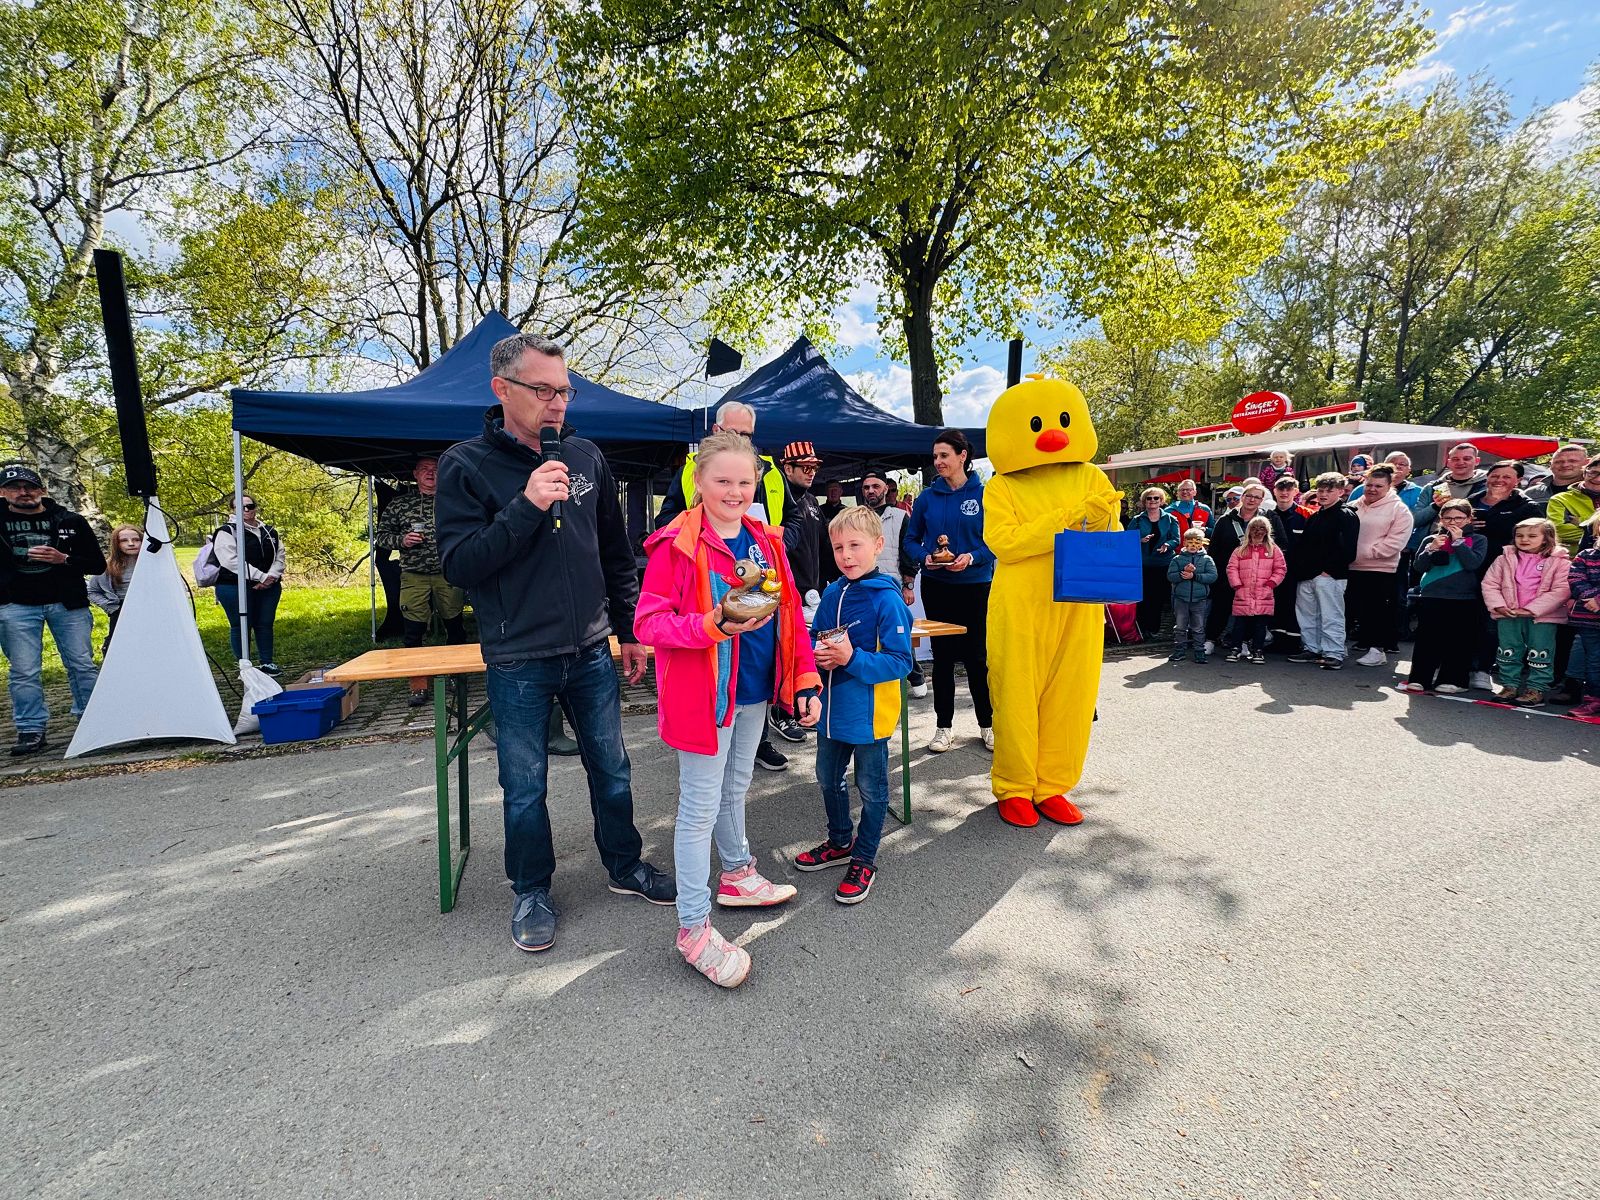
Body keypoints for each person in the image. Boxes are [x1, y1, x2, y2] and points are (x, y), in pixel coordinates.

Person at [436, 331, 674, 955]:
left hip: (592, 648)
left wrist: (629, 629)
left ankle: (624, 865)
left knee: (613, 769)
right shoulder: (465, 465)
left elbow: (615, 553)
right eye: (543, 390)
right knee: (525, 786)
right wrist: (526, 504)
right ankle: (531, 890)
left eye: (565, 390)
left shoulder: (587, 456)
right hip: (518, 657)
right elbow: (460, 565)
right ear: (502, 389)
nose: (559, 403)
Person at [635, 431, 818, 987]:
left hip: (757, 687)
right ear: (699, 480)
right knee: (697, 809)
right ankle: (692, 928)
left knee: (736, 787)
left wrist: (803, 679)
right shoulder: (675, 543)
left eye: (744, 481)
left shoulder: (766, 539)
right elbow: (648, 624)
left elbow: (789, 611)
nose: (735, 491)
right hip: (703, 697)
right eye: (723, 481)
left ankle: (737, 873)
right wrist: (710, 625)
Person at [983, 376, 1122, 828]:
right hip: (1021, 605)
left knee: (1072, 693)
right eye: (1038, 424)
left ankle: (1052, 784)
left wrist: (1103, 519)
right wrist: (1067, 519)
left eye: (1062, 421)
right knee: (1017, 693)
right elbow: (1005, 542)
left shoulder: (1092, 476)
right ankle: (1014, 785)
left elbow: (1111, 537)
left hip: (1078, 602)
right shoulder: (1000, 486)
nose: (1052, 433)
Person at [794, 506, 914, 904]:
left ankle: (864, 858)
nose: (846, 555)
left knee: (872, 789)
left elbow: (901, 662)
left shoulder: (888, 599)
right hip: (831, 714)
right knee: (828, 779)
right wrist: (816, 662)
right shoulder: (831, 593)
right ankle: (840, 841)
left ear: (878, 546)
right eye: (838, 547)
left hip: (869, 716)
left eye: (855, 546)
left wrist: (850, 659)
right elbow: (816, 641)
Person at [0, 464, 105, 755]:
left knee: (81, 664)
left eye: (30, 487)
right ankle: (30, 729)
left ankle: (92, 721)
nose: (23, 492)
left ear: (42, 490)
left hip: (67, 603)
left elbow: (97, 564)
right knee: (24, 671)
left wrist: (64, 559)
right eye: (14, 488)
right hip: (15, 605)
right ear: (3, 492)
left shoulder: (69, 520)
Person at [903, 428, 994, 753]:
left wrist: (972, 558)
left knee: (977, 658)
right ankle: (943, 728)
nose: (938, 461)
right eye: (935, 456)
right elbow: (910, 540)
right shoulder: (927, 498)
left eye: (944, 455)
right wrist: (924, 557)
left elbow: (995, 542)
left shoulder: (984, 495)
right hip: (938, 587)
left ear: (962, 456)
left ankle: (988, 725)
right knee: (942, 660)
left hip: (976, 586)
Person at [374, 456, 469, 707]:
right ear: (415, 474)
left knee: (455, 627)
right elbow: (382, 536)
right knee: (413, 631)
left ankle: (456, 677)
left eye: (435, 469)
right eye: (425, 469)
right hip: (414, 574)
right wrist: (402, 540)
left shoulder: (455, 501)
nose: (430, 473)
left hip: (448, 573)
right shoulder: (400, 504)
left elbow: (471, 530)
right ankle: (418, 686)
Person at [654, 400, 787, 529]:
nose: (737, 439)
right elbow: (664, 520)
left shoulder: (771, 472)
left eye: (745, 435)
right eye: (731, 432)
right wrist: (701, 529)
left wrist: (778, 541)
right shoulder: (688, 471)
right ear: (716, 430)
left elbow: (792, 517)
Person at [1480, 518, 1570, 706]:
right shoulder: (1504, 559)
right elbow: (1490, 583)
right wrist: (1499, 605)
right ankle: (1509, 685)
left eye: (1532, 536)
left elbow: (1562, 590)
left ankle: (1536, 689)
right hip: (1508, 614)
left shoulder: (1560, 562)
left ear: (1546, 538)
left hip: (1542, 617)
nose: (1524, 539)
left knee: (1540, 653)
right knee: (1507, 650)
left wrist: (1530, 610)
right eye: (1519, 535)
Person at [1403, 499, 1488, 694]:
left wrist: (1458, 542)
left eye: (1459, 518)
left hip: (1463, 597)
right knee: (1427, 640)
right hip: (1432, 595)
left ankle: (1453, 679)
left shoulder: (1479, 540)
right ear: (1441, 519)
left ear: (1469, 519)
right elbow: (1419, 567)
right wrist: (1431, 549)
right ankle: (1419, 678)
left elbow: (1472, 563)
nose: (1453, 522)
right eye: (1448, 518)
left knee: (1458, 641)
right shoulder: (1430, 539)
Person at [860, 468, 926, 698]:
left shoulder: (899, 516)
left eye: (875, 486)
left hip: (892, 586)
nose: (871, 491)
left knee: (899, 633)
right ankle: (878, 682)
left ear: (886, 489)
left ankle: (915, 676)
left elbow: (908, 553)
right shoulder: (856, 516)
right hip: (863, 586)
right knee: (868, 635)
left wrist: (908, 585)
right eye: (866, 487)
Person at [1287, 472, 1359, 670]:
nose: (1323, 494)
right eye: (1320, 490)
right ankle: (1312, 648)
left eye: (1329, 490)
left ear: (1341, 492)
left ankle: (1334, 652)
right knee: (1307, 614)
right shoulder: (1315, 516)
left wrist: (1329, 571)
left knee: (1331, 615)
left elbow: (1349, 549)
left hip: (1330, 575)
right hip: (1308, 574)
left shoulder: (1346, 515)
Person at [1347, 463, 1416, 667]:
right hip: (1351, 566)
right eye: (1369, 485)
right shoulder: (1355, 505)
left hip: (1381, 569)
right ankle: (1364, 642)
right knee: (1356, 608)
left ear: (1389, 486)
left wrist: (1370, 553)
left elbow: (1396, 542)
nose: (1372, 489)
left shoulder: (1399, 509)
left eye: (1378, 486)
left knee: (1377, 611)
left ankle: (1377, 650)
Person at [213, 494, 285, 674]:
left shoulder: (269, 531)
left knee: (265, 623)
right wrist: (260, 577)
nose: (246, 510)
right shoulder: (227, 532)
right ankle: (245, 666)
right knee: (241, 625)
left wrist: (270, 577)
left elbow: (280, 556)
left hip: (269, 587)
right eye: (240, 507)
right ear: (232, 510)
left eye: (250, 506)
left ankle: (267, 662)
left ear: (255, 507)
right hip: (234, 586)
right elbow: (230, 561)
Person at [1205, 481, 1281, 653]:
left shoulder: (1269, 519)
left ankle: (1244, 642)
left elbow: (1279, 545)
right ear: (1242, 497)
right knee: (1220, 608)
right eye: (1249, 496)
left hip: (1257, 576)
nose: (1252, 500)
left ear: (1261, 500)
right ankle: (1210, 639)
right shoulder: (1225, 520)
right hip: (1227, 574)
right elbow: (1214, 548)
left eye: (1257, 497)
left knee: (1250, 612)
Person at [1223, 516, 1287, 664]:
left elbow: (1280, 569)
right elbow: (1231, 568)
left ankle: (1258, 649)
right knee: (1239, 624)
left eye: (1261, 528)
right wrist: (1237, 585)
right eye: (1254, 528)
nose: (1258, 531)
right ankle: (1235, 648)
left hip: (1264, 593)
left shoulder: (1273, 550)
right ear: (1249, 531)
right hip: (1243, 592)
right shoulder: (1240, 550)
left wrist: (1271, 584)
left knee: (1260, 625)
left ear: (1267, 531)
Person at [1131, 487, 1180, 640]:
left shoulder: (1170, 519)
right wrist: (1140, 540)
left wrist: (1167, 545)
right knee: (1142, 597)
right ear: (1144, 501)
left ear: (1161, 501)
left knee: (1157, 598)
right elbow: (1127, 538)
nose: (1152, 501)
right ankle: (1140, 629)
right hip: (1142, 564)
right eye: (1149, 498)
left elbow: (1176, 539)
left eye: (1156, 498)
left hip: (1163, 563)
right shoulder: (1137, 519)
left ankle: (1153, 629)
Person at [1269, 477, 1311, 649]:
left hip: (1298, 571)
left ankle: (1294, 643)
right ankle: (1277, 640)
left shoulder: (1307, 515)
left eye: (1288, 489)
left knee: (1297, 606)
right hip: (1273, 571)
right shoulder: (1268, 515)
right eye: (1281, 489)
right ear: (1274, 491)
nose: (1284, 493)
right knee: (1276, 604)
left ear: (1296, 492)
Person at [1565, 510, 1600, 719]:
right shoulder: (1586, 555)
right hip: (1589, 619)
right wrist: (1591, 599)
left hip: (1592, 607)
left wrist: (1598, 600)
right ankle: (1593, 700)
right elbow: (1575, 578)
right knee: (1594, 660)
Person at [88, 524, 142, 649]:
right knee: (120, 645)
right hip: (121, 610)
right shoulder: (108, 567)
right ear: (116, 544)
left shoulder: (155, 565)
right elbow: (92, 591)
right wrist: (111, 608)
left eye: (136, 540)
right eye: (124, 540)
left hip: (151, 608)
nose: (131, 544)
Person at [1166, 527, 1217, 663]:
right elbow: (1170, 576)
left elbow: (1212, 576)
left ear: (1201, 543)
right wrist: (1183, 573)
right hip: (1181, 599)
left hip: (1199, 600)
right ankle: (1179, 650)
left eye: (1196, 542)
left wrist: (1195, 576)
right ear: (1184, 543)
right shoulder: (1177, 559)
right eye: (1190, 542)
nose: (1193, 546)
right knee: (1180, 626)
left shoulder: (1207, 559)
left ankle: (1199, 651)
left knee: (1198, 627)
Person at [1413, 442, 1490, 529]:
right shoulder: (1432, 487)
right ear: (1448, 462)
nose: (1461, 462)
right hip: (1434, 536)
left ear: (1477, 461)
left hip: (1471, 537)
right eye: (1455, 459)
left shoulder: (1487, 487)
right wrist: (1435, 506)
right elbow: (1414, 521)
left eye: (1467, 459)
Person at [1524, 444, 1590, 505]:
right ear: (1551, 464)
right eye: (1558, 462)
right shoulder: (1532, 493)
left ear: (1588, 463)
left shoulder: (1592, 492)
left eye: (1572, 461)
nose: (1565, 465)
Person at [816, 480, 846, 587]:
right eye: (830, 489)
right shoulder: (818, 511)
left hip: (842, 557)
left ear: (841, 492)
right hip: (822, 558)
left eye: (836, 489)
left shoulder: (846, 512)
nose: (833, 492)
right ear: (826, 492)